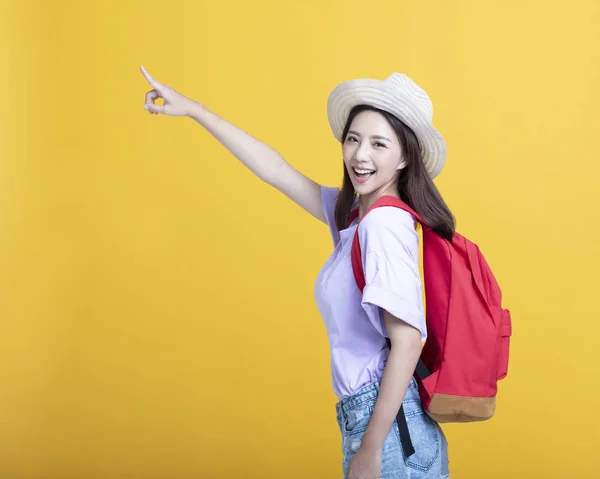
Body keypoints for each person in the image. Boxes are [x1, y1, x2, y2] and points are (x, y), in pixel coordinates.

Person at [140, 66, 452, 479]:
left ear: (405, 157)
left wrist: (371, 448)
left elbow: (408, 342)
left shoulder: (383, 226)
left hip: (391, 431)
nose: (361, 155)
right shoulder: (356, 216)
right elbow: (277, 171)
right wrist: (196, 110)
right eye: (354, 139)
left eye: (379, 144)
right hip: (379, 421)